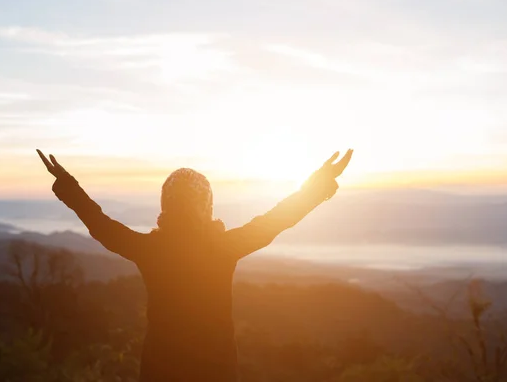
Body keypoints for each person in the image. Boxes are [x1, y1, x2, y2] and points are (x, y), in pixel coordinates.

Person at [37, 148, 353, 382]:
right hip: (217, 371)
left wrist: (68, 187)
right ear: (208, 205)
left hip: (161, 370)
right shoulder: (223, 246)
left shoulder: (150, 249)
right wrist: (318, 185)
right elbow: (278, 218)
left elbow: (100, 224)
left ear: (166, 204)